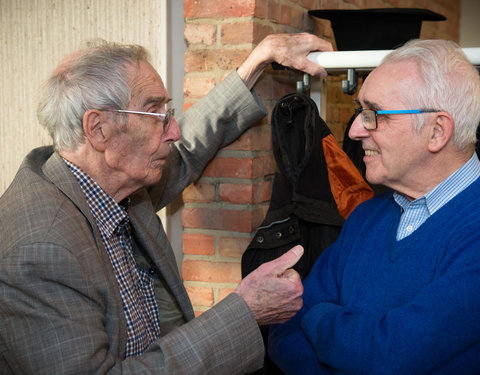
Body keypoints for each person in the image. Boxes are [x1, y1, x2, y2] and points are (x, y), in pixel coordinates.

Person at [0, 33, 333, 374]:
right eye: (155, 112)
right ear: (98, 129)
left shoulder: (111, 182)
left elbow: (187, 146)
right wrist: (246, 311)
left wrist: (257, 62)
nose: (173, 130)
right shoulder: (40, 251)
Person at [268, 39, 480, 374]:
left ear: (437, 132)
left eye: (374, 115)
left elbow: (391, 354)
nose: (353, 131)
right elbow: (286, 324)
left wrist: (321, 316)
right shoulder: (367, 217)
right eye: (359, 113)